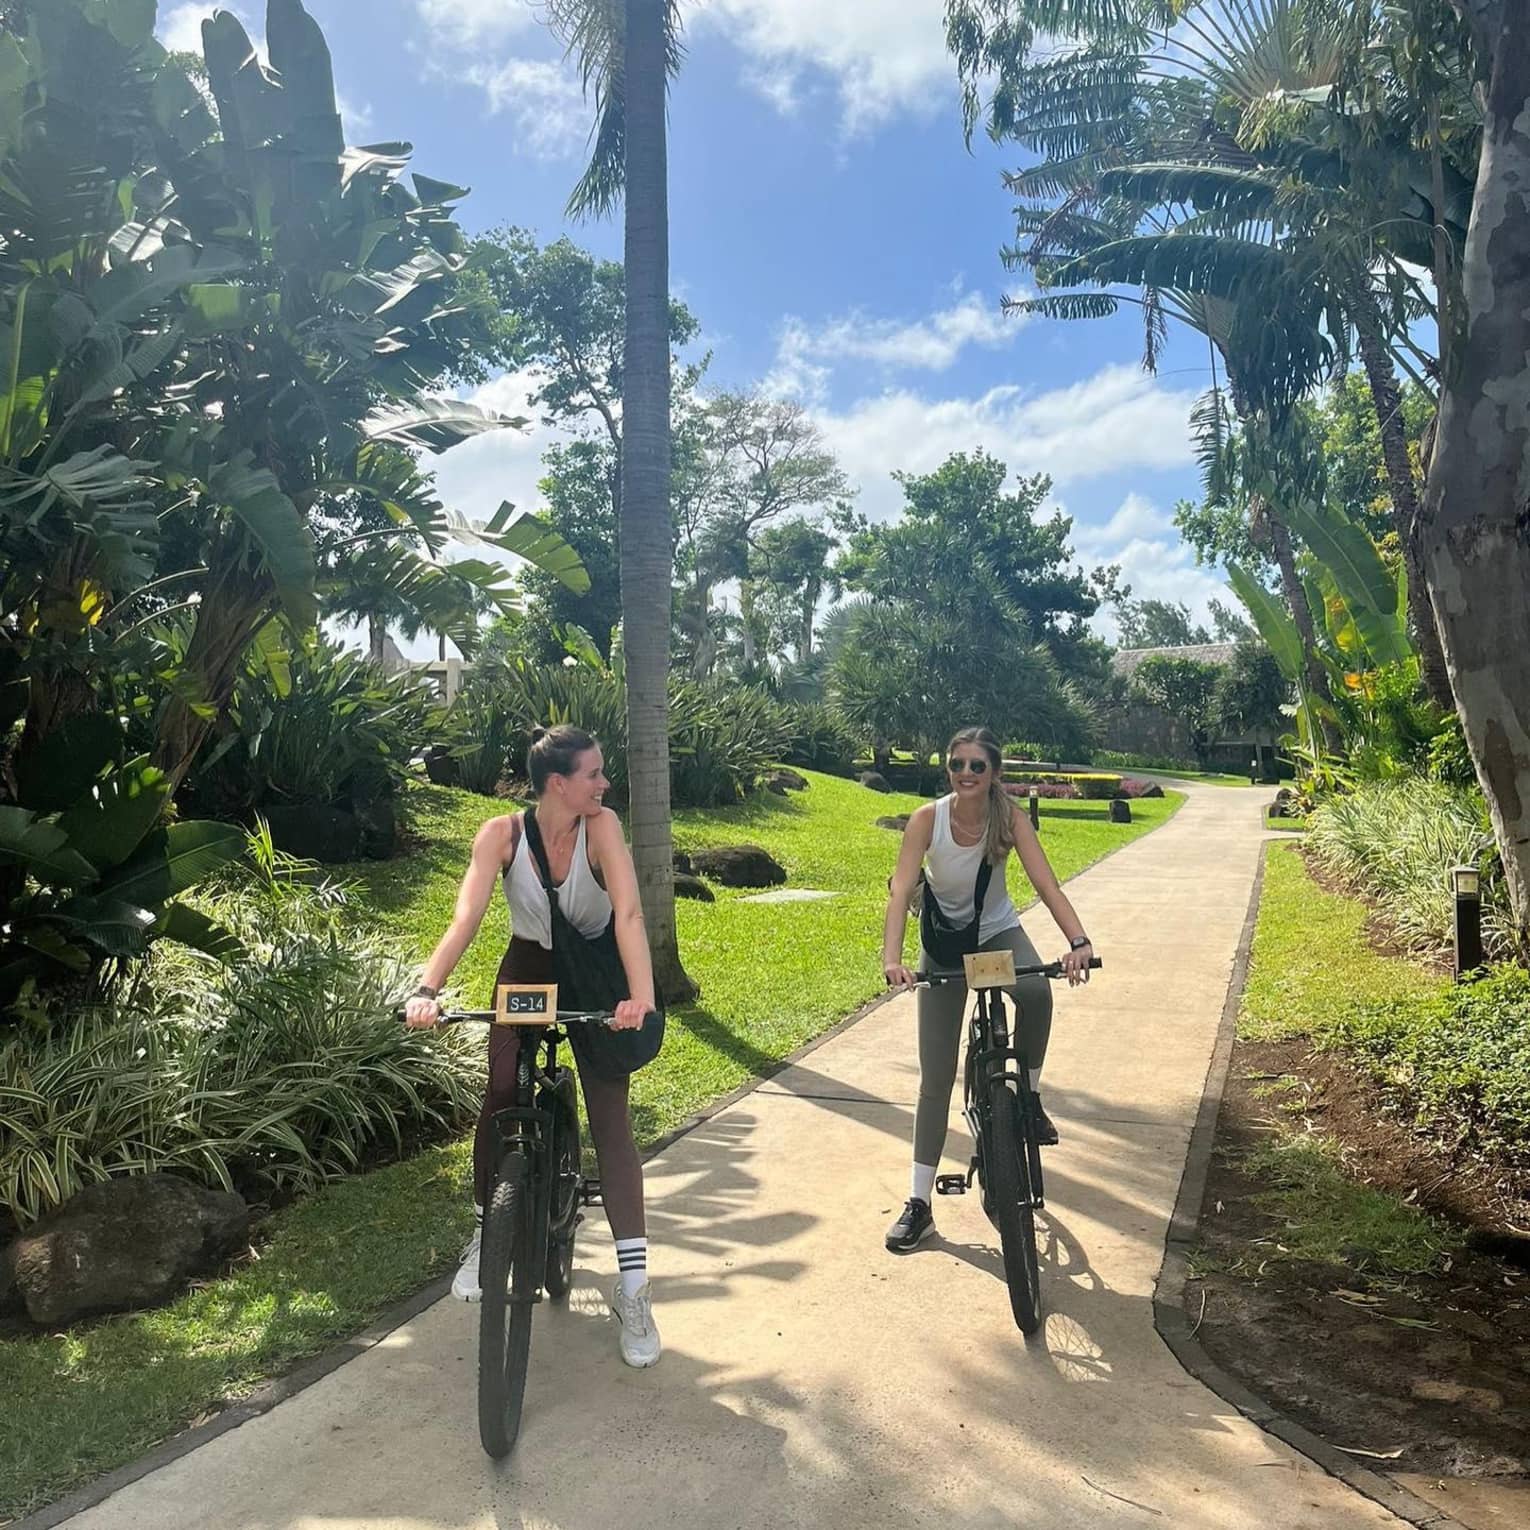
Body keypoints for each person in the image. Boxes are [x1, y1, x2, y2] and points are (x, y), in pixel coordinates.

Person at [404, 725, 661, 1367]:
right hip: (531, 965)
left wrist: (639, 996)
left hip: (596, 968)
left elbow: (628, 915)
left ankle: (634, 1293)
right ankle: (488, 1232)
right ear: (558, 784)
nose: (605, 784)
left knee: (610, 1122)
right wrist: (427, 988)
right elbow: (466, 916)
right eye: (594, 774)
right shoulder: (500, 835)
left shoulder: (602, 828)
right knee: (500, 1088)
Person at [879, 725, 1095, 1253]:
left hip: (996, 935)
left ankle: (1032, 1096)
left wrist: (1078, 941)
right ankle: (919, 1203)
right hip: (946, 946)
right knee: (934, 1077)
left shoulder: (1009, 817)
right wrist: (893, 960)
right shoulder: (928, 820)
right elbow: (902, 887)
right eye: (958, 765)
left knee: (1038, 994)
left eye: (977, 766)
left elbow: (1046, 885)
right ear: (948, 770)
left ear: (994, 773)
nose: (966, 774)